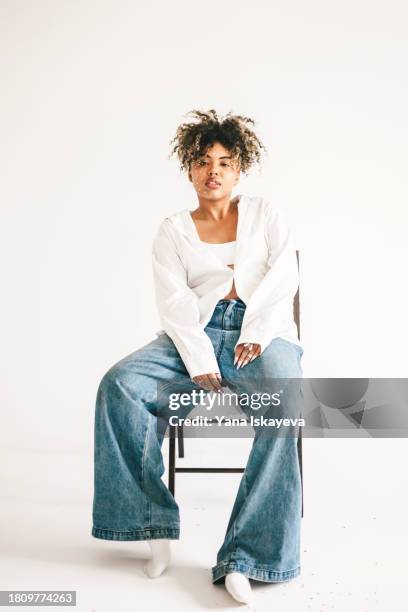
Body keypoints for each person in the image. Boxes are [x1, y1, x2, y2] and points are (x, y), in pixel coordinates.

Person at [91, 109, 305, 606]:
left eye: (225, 162)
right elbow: (174, 302)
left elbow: (281, 281)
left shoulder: (264, 214)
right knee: (119, 384)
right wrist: (199, 357)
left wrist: (255, 332)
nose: (214, 171)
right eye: (204, 161)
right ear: (189, 168)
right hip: (193, 334)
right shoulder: (172, 230)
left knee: (286, 401)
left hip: (264, 333)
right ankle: (151, 522)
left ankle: (248, 556)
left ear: (239, 169)